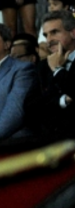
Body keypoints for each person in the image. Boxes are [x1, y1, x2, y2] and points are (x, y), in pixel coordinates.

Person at [26, 10, 75, 138]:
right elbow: (30, 107)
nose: (49, 40)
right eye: (46, 35)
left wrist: (58, 69)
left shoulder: (52, 65)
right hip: (51, 140)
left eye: (54, 32)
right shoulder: (43, 66)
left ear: (73, 32)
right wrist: (62, 100)